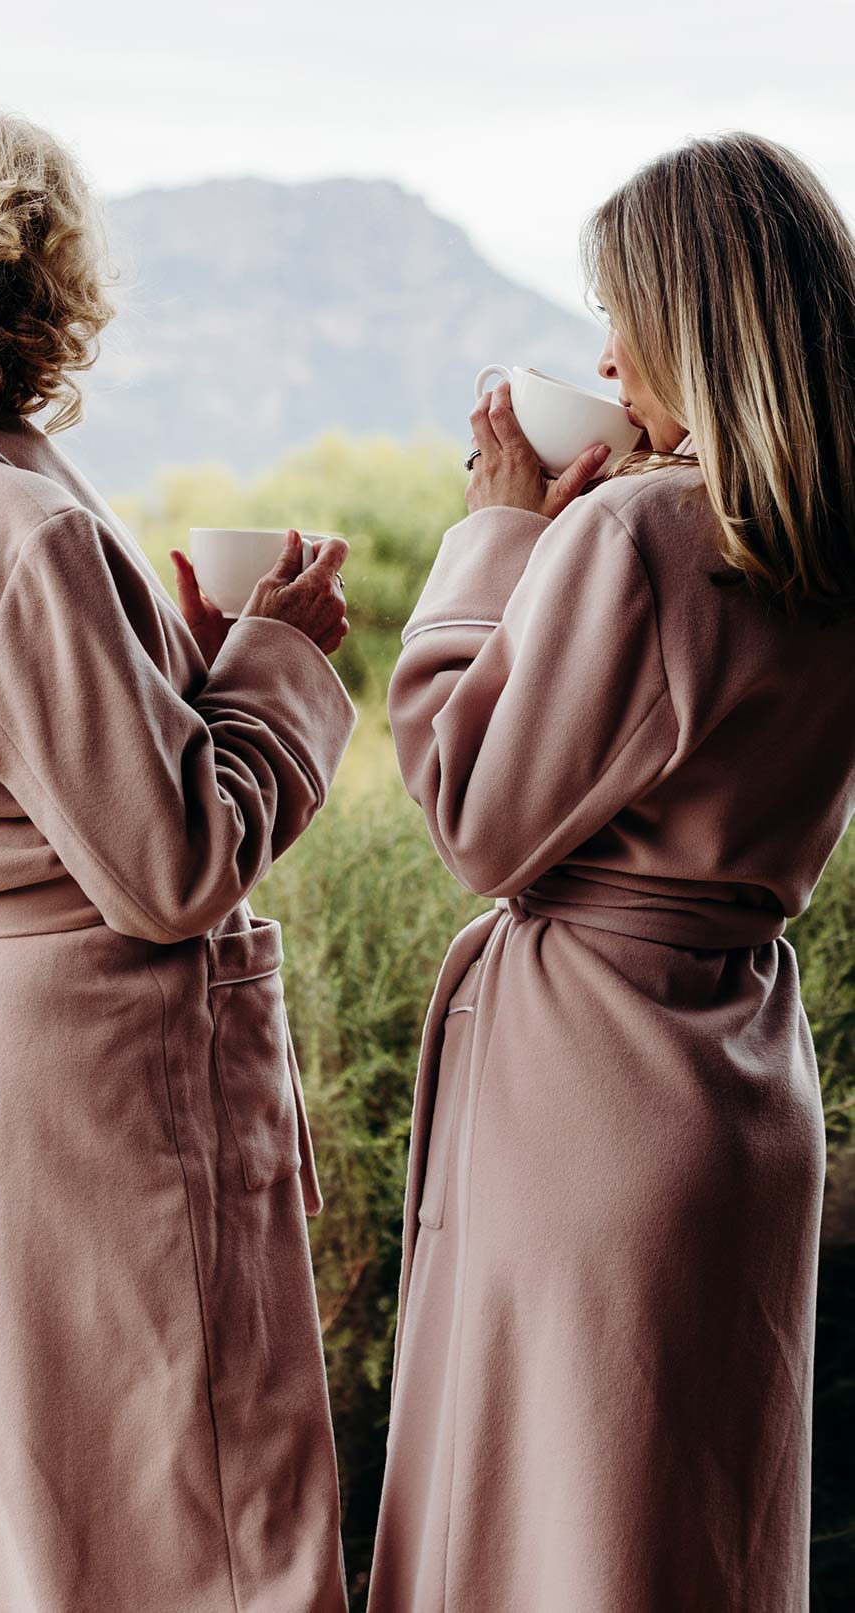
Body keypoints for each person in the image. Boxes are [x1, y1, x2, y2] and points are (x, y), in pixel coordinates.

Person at [0, 92, 356, 1612]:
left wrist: (145, 671)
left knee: (13, 1491)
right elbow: (173, 865)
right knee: (181, 1501)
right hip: (92, 1074)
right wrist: (270, 663)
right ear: (17, 261)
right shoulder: (9, 526)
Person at [367, 129, 855, 1613]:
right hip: (742, 1087)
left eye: (617, 312)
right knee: (683, 1528)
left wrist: (499, 534)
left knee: (551, 1534)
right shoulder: (817, 541)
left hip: (588, 1089)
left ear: (682, 317)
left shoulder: (639, 534)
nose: (605, 355)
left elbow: (473, 814)